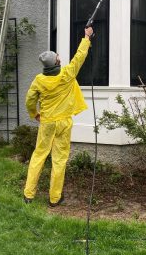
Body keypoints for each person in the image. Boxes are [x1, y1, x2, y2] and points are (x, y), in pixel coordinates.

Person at [24, 26, 94, 207]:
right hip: (64, 122)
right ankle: (54, 198)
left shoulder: (39, 80)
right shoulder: (67, 74)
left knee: (39, 155)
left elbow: (30, 101)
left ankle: (28, 195)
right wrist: (86, 37)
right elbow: (79, 57)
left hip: (47, 122)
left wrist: (35, 114)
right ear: (56, 63)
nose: (60, 58)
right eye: (57, 58)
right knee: (59, 159)